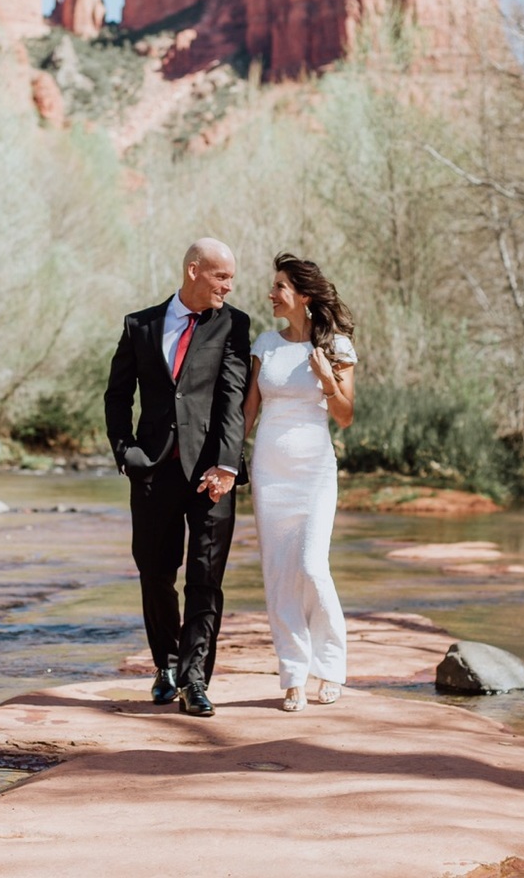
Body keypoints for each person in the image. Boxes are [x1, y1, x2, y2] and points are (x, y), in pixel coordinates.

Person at [104, 238, 251, 717]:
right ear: (193, 271)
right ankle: (165, 668)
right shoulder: (140, 325)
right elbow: (116, 395)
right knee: (155, 573)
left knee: (206, 579)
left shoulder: (234, 325)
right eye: (220, 277)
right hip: (153, 471)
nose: (229, 286)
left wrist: (228, 465)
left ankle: (194, 680)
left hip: (212, 474)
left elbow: (233, 399)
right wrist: (126, 453)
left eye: (230, 278)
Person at [243, 252, 357, 712]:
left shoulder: (338, 345)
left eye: (280, 287)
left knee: (312, 565)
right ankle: (293, 676)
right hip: (269, 471)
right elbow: (250, 409)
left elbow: (346, 417)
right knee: (279, 575)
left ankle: (330, 667)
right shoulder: (265, 344)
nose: (271, 294)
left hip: (314, 471)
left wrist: (328, 380)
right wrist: (228, 458)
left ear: (304, 296)